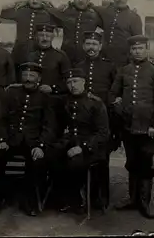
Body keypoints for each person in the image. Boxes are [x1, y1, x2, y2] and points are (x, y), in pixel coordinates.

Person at [110, 35, 154, 219]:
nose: (137, 51)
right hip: (129, 126)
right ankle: (132, 199)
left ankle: (144, 202)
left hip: (148, 128)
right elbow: (113, 93)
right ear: (130, 51)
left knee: (145, 162)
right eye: (134, 49)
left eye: (141, 48)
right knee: (132, 161)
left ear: (147, 49)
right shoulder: (124, 70)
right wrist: (118, 104)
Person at [0, 62, 57, 216]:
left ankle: (28, 201)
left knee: (37, 163)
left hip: (33, 142)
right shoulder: (10, 93)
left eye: (32, 76)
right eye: (25, 75)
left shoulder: (45, 97)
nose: (28, 79)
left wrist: (40, 145)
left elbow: (49, 125)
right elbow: (0, 119)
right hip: (10, 139)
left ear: (39, 78)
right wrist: (1, 140)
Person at [50, 68, 109, 214]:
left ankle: (78, 199)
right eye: (69, 82)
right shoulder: (64, 101)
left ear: (84, 82)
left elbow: (103, 132)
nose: (72, 85)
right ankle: (60, 197)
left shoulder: (95, 102)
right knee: (51, 156)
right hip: (69, 141)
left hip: (91, 145)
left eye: (75, 81)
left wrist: (82, 147)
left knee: (75, 163)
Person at [74, 31, 118, 209]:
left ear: (100, 46)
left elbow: (115, 95)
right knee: (82, 157)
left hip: (103, 120)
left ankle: (102, 198)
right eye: (88, 44)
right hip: (83, 121)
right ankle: (84, 197)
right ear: (84, 46)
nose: (91, 47)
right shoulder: (78, 66)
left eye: (94, 44)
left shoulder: (109, 67)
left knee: (102, 159)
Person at [0, 0, 65, 72]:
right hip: (19, 53)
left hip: (39, 54)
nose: (34, 1)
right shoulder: (20, 11)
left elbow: (64, 21)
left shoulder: (48, 14)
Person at [96, 0, 143, 68]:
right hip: (105, 57)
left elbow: (138, 41)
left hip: (123, 60)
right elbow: (92, 7)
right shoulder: (106, 11)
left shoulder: (134, 17)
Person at [18, 23, 71, 95]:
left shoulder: (60, 56)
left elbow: (68, 79)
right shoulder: (29, 55)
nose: (45, 38)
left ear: (52, 38)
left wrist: (53, 88)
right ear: (36, 37)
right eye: (41, 35)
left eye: (48, 36)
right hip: (31, 97)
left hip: (52, 97)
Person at [56, 0, 103, 66]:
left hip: (85, 55)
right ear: (73, 0)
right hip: (67, 53)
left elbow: (108, 27)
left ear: (88, 0)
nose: (81, 1)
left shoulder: (94, 15)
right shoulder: (66, 12)